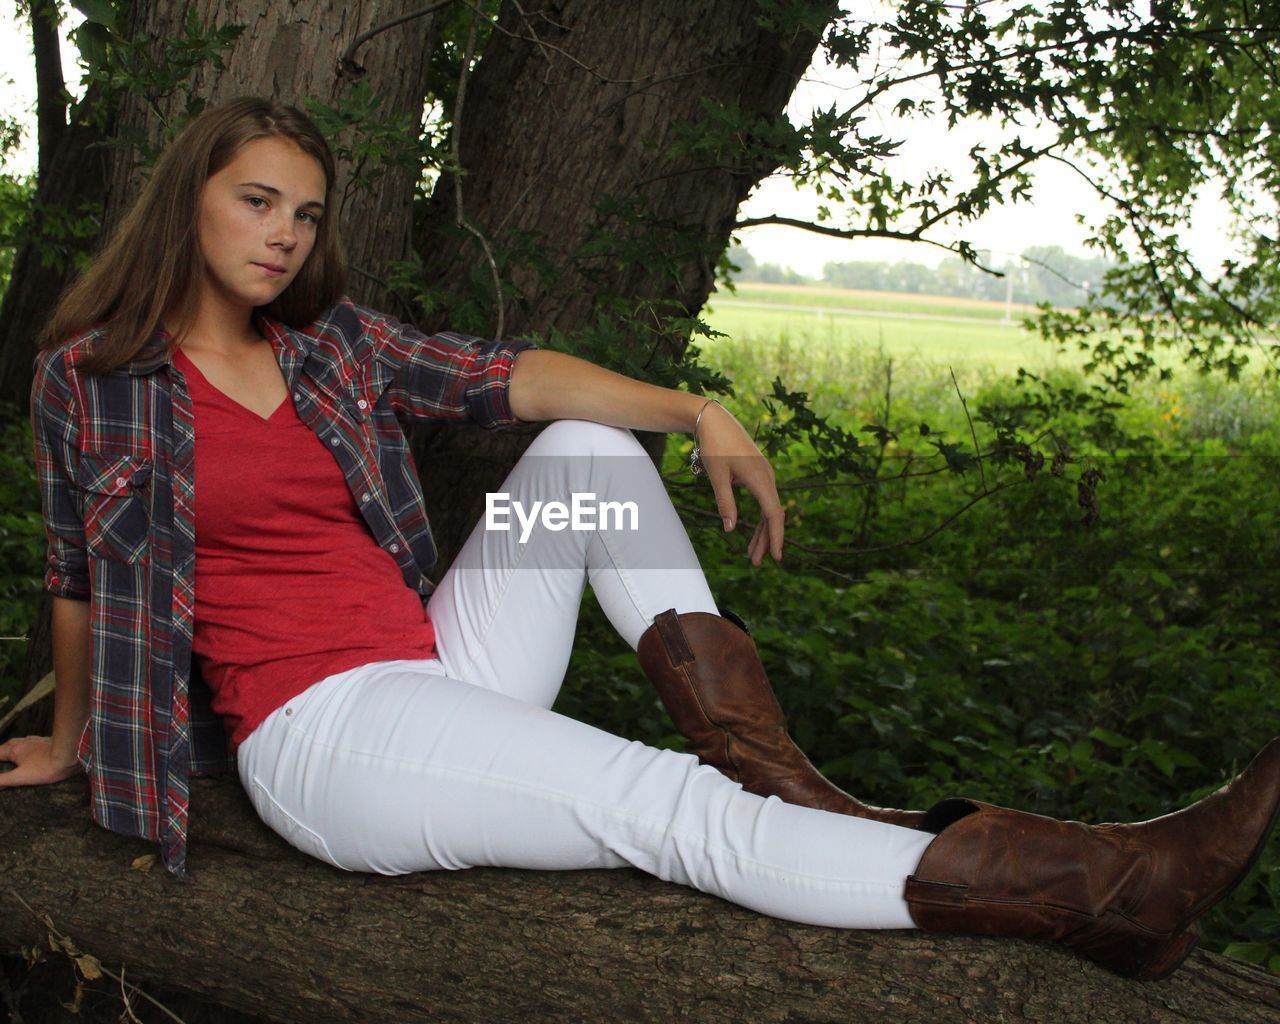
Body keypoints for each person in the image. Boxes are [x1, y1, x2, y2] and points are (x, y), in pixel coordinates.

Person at [0, 97, 1275, 983]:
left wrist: (696, 409)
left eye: (307, 213)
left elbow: (513, 376)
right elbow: (76, 568)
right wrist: (66, 741)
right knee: (658, 804)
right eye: (258, 201)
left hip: (430, 664)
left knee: (593, 456)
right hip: (321, 734)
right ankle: (1108, 889)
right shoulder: (93, 381)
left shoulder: (328, 344)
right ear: (193, 203)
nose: (284, 234)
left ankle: (787, 779)